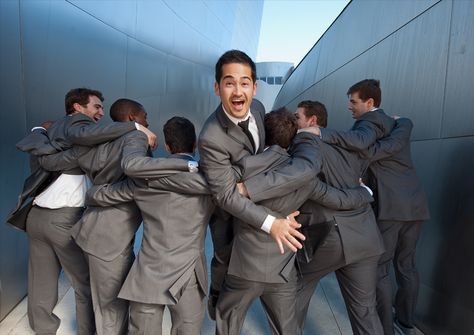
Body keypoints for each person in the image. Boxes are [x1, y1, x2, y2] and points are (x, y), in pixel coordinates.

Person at [242, 100, 413, 334]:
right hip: (365, 237)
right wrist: (363, 192)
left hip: (330, 238)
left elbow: (307, 182)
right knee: (365, 313)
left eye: (297, 117)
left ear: (312, 121)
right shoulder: (347, 144)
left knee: (289, 296)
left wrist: (249, 189)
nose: (293, 122)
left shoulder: (303, 141)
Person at [216, 107, 375, 335]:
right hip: (282, 271)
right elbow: (338, 199)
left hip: (243, 267)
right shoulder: (306, 178)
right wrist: (365, 192)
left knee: (227, 322)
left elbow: (222, 212)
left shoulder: (244, 167)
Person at [13, 88, 153, 335]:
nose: (101, 113)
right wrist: (136, 129)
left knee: (40, 282)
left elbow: (48, 153)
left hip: (37, 216)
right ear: (77, 108)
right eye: (96, 106)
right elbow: (86, 139)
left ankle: (43, 329)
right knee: (87, 285)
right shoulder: (78, 126)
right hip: (64, 219)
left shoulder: (51, 130)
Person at [198, 50, 311, 320]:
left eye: (244, 82)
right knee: (225, 260)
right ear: (217, 88)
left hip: (257, 197)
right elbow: (226, 196)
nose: (238, 91)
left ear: (254, 86)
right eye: (229, 82)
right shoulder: (211, 137)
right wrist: (272, 223)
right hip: (229, 212)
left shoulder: (259, 108)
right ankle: (217, 299)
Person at [316, 79, 430, 334]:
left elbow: (359, 142)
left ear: (370, 103)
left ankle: (386, 328)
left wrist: (323, 133)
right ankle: (406, 322)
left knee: (380, 269)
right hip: (415, 204)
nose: (349, 107)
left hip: (391, 207)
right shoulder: (396, 123)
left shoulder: (370, 122)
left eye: (353, 102)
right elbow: (390, 145)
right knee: (407, 265)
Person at [86, 116, 214, 335]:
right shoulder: (211, 182)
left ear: (167, 146)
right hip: (189, 273)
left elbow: (101, 195)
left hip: (149, 272)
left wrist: (92, 191)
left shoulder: (143, 180)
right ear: (194, 145)